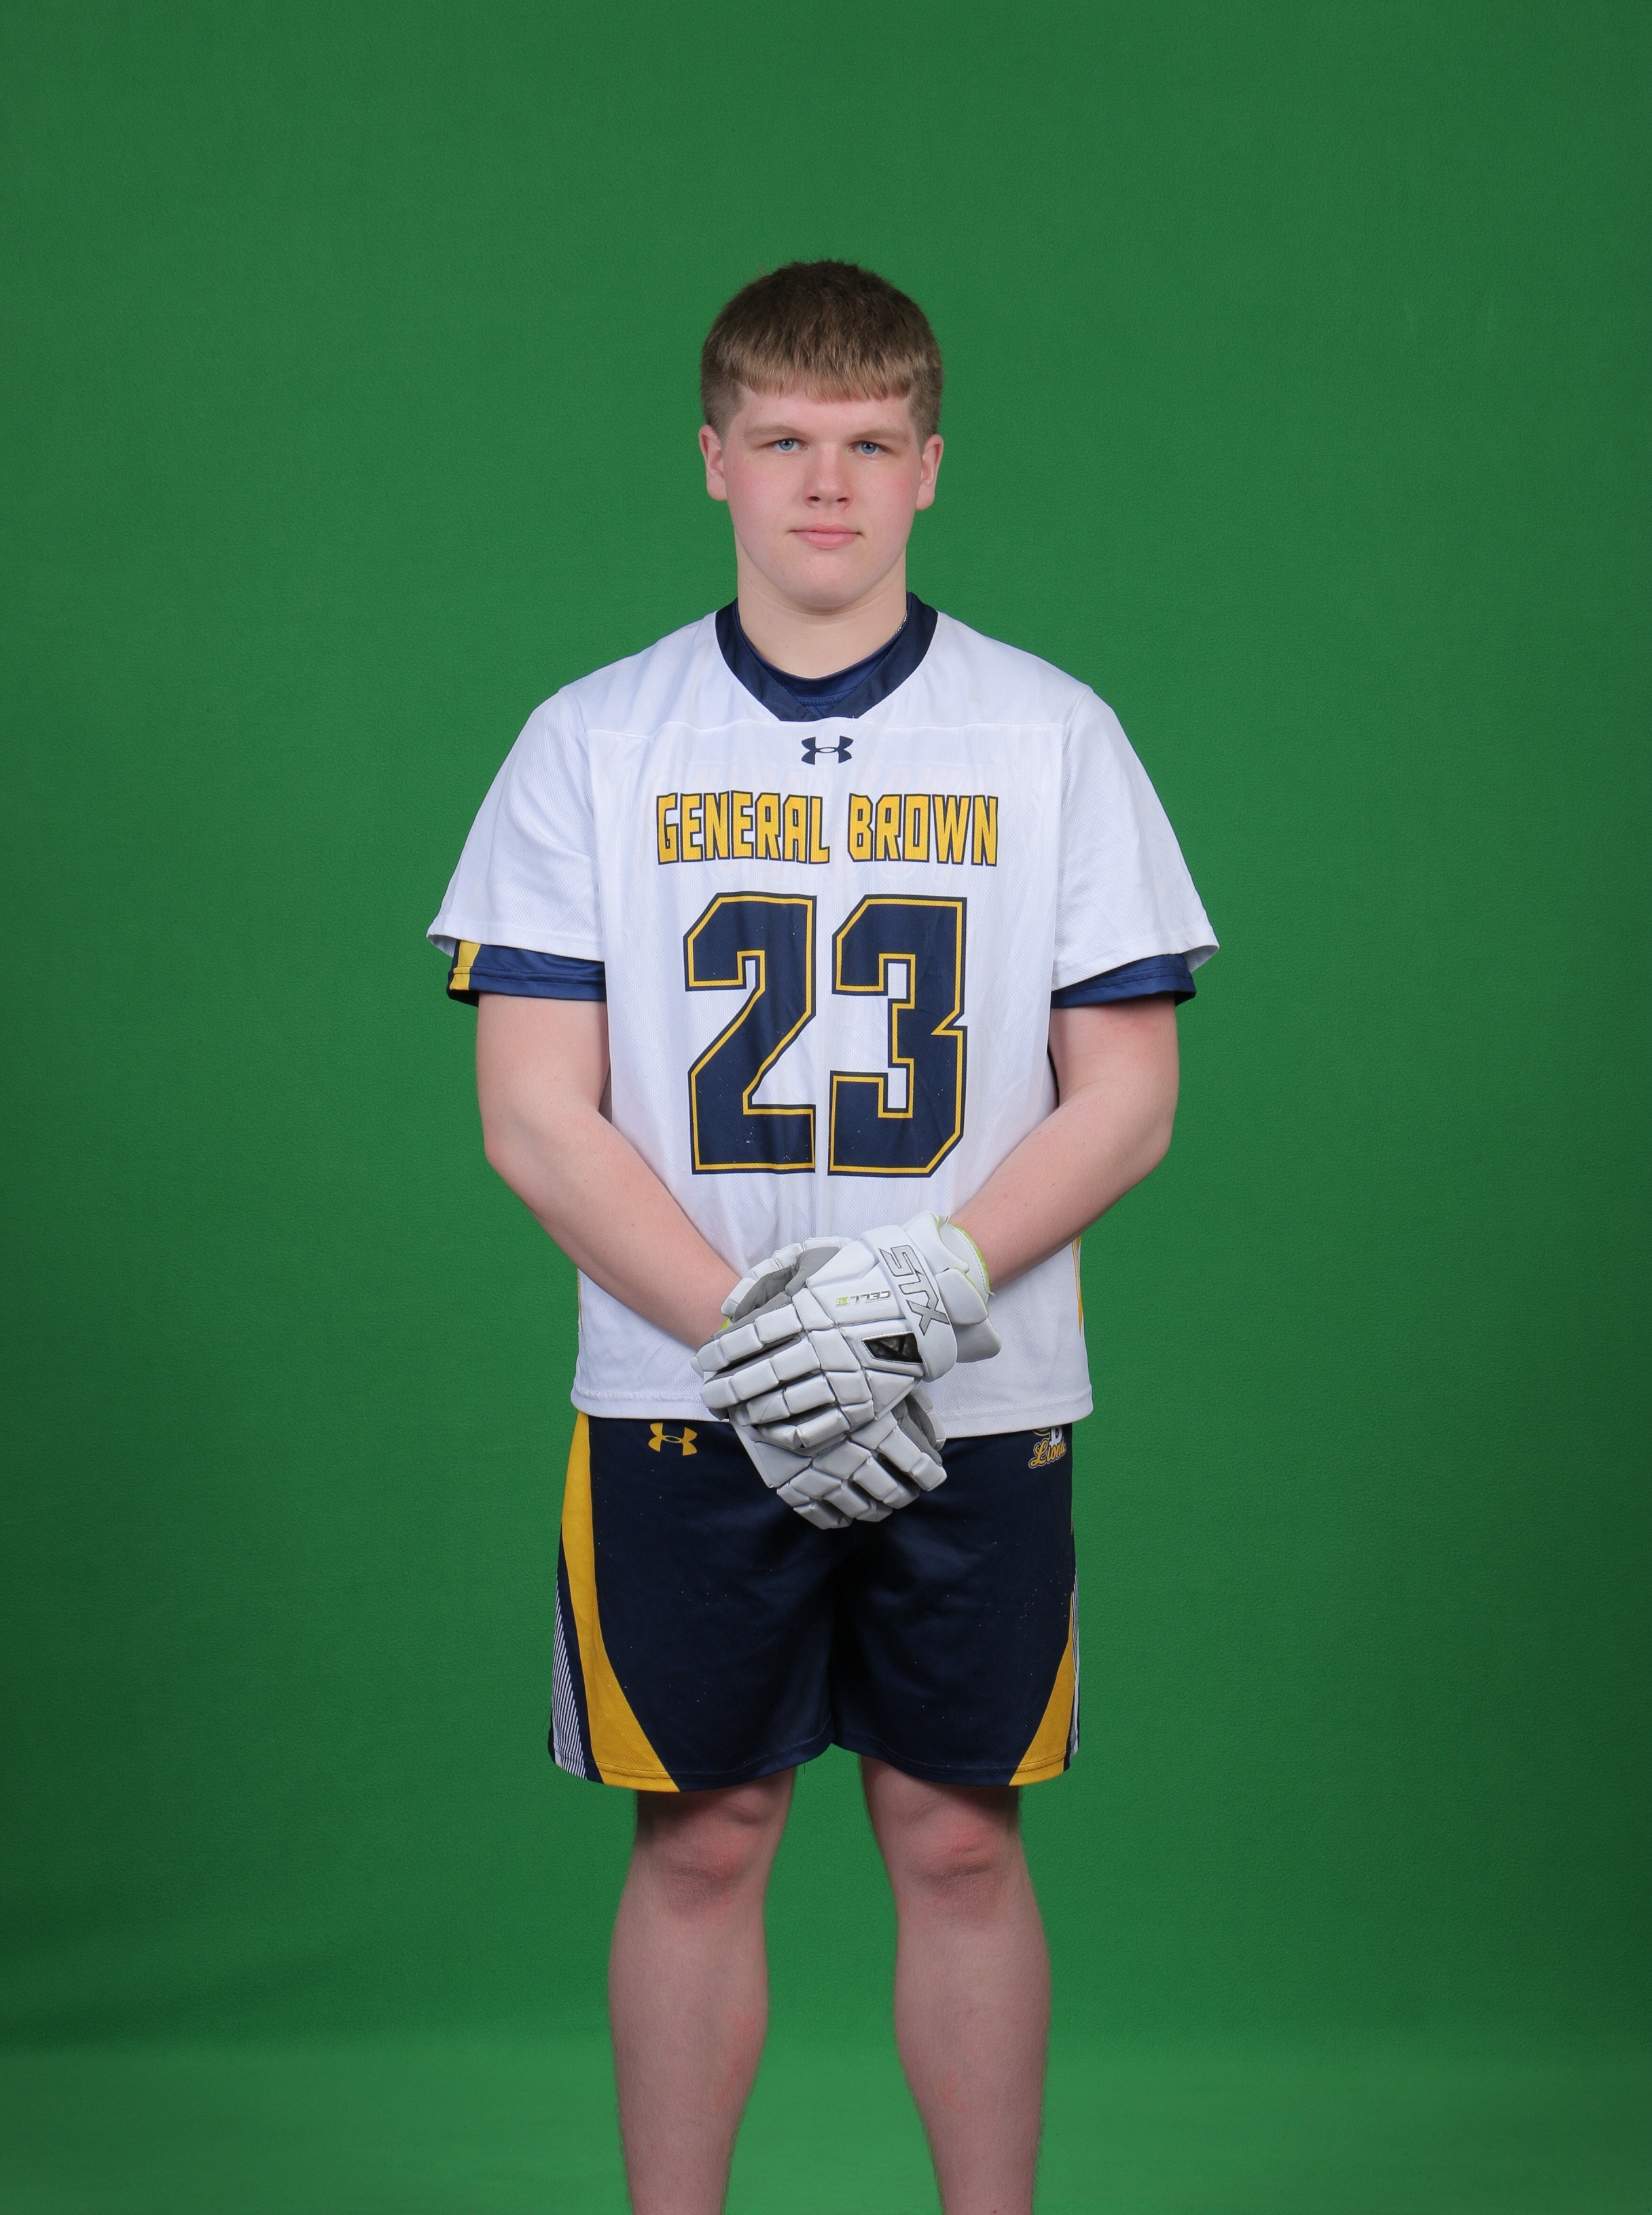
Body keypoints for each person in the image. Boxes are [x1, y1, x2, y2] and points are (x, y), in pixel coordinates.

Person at [430, 260, 1216, 2215]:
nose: (827, 485)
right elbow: (535, 1111)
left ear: (931, 466)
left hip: (979, 1391)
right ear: (713, 459)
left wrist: (925, 1288)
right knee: (703, 1838)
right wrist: (754, 1334)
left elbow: (1127, 1093)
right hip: (684, 1394)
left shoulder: (1052, 731)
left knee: (959, 1837)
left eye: (870, 444)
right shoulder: (592, 739)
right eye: (783, 441)